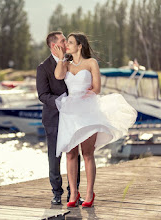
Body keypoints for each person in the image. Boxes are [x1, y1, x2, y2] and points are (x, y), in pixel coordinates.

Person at [53, 32, 137, 208]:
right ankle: (74, 194)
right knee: (70, 153)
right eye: (66, 42)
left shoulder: (91, 63)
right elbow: (58, 76)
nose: (66, 45)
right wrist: (61, 59)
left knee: (87, 153)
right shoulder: (66, 64)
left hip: (88, 110)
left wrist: (86, 94)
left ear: (80, 46)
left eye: (70, 42)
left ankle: (90, 192)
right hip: (70, 111)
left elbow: (97, 88)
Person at [36, 31, 82, 205]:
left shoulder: (72, 62)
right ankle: (56, 193)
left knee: (74, 156)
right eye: (63, 41)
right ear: (54, 46)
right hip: (53, 118)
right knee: (54, 158)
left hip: (72, 118)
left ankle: (74, 193)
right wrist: (62, 101)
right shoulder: (43, 68)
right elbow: (43, 95)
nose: (66, 43)